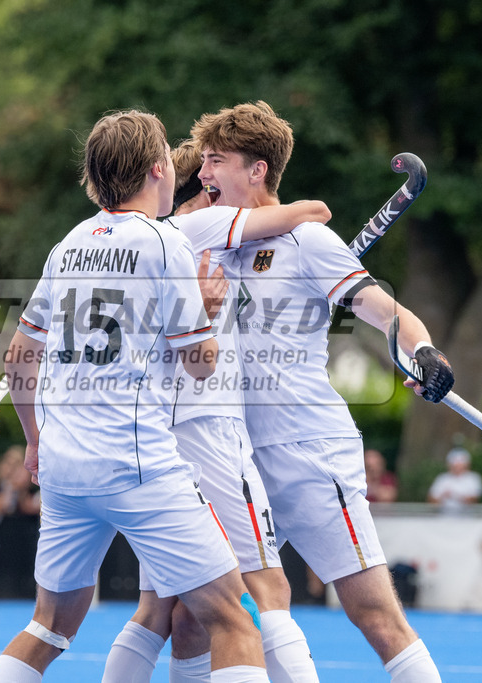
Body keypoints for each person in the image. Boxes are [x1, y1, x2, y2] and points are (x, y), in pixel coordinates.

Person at [0, 109, 269, 683]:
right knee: (233, 617)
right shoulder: (165, 243)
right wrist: (207, 313)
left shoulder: (67, 244)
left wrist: (36, 443)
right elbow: (199, 365)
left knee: (49, 626)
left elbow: (19, 358)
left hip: (65, 466)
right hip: (134, 460)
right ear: (158, 169)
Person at [196, 101, 451, 681]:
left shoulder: (308, 240)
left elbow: (385, 312)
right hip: (235, 456)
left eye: (216, 161)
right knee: (224, 609)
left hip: (307, 450)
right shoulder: (211, 240)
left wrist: (426, 353)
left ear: (257, 170)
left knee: (374, 615)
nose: (204, 173)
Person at [103, 139, 330, 682]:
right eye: (207, 178)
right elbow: (312, 211)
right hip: (208, 429)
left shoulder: (135, 241)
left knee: (167, 610)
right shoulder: (194, 227)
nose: (214, 183)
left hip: (159, 433)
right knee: (268, 587)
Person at [427, 447, 482, 512]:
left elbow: (474, 499)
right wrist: (443, 496)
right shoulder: (442, 478)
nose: (457, 466)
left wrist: (457, 496)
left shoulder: (473, 478)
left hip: (467, 519)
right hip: (444, 518)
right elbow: (431, 500)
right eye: (455, 463)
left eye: (460, 463)